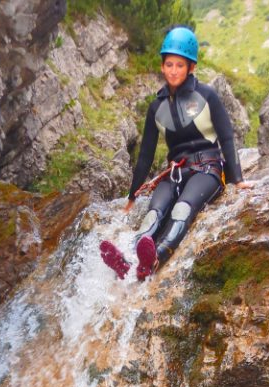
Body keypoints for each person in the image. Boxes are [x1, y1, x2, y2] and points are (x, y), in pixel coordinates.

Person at [101, 26, 253, 281]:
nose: (173, 70)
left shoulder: (207, 96)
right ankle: (129, 261)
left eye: (179, 65)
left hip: (208, 169)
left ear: (191, 67)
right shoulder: (156, 107)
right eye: (169, 64)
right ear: (162, 66)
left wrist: (238, 179)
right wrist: (131, 198)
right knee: (153, 214)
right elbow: (146, 155)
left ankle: (153, 261)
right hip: (175, 172)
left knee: (182, 209)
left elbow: (227, 136)